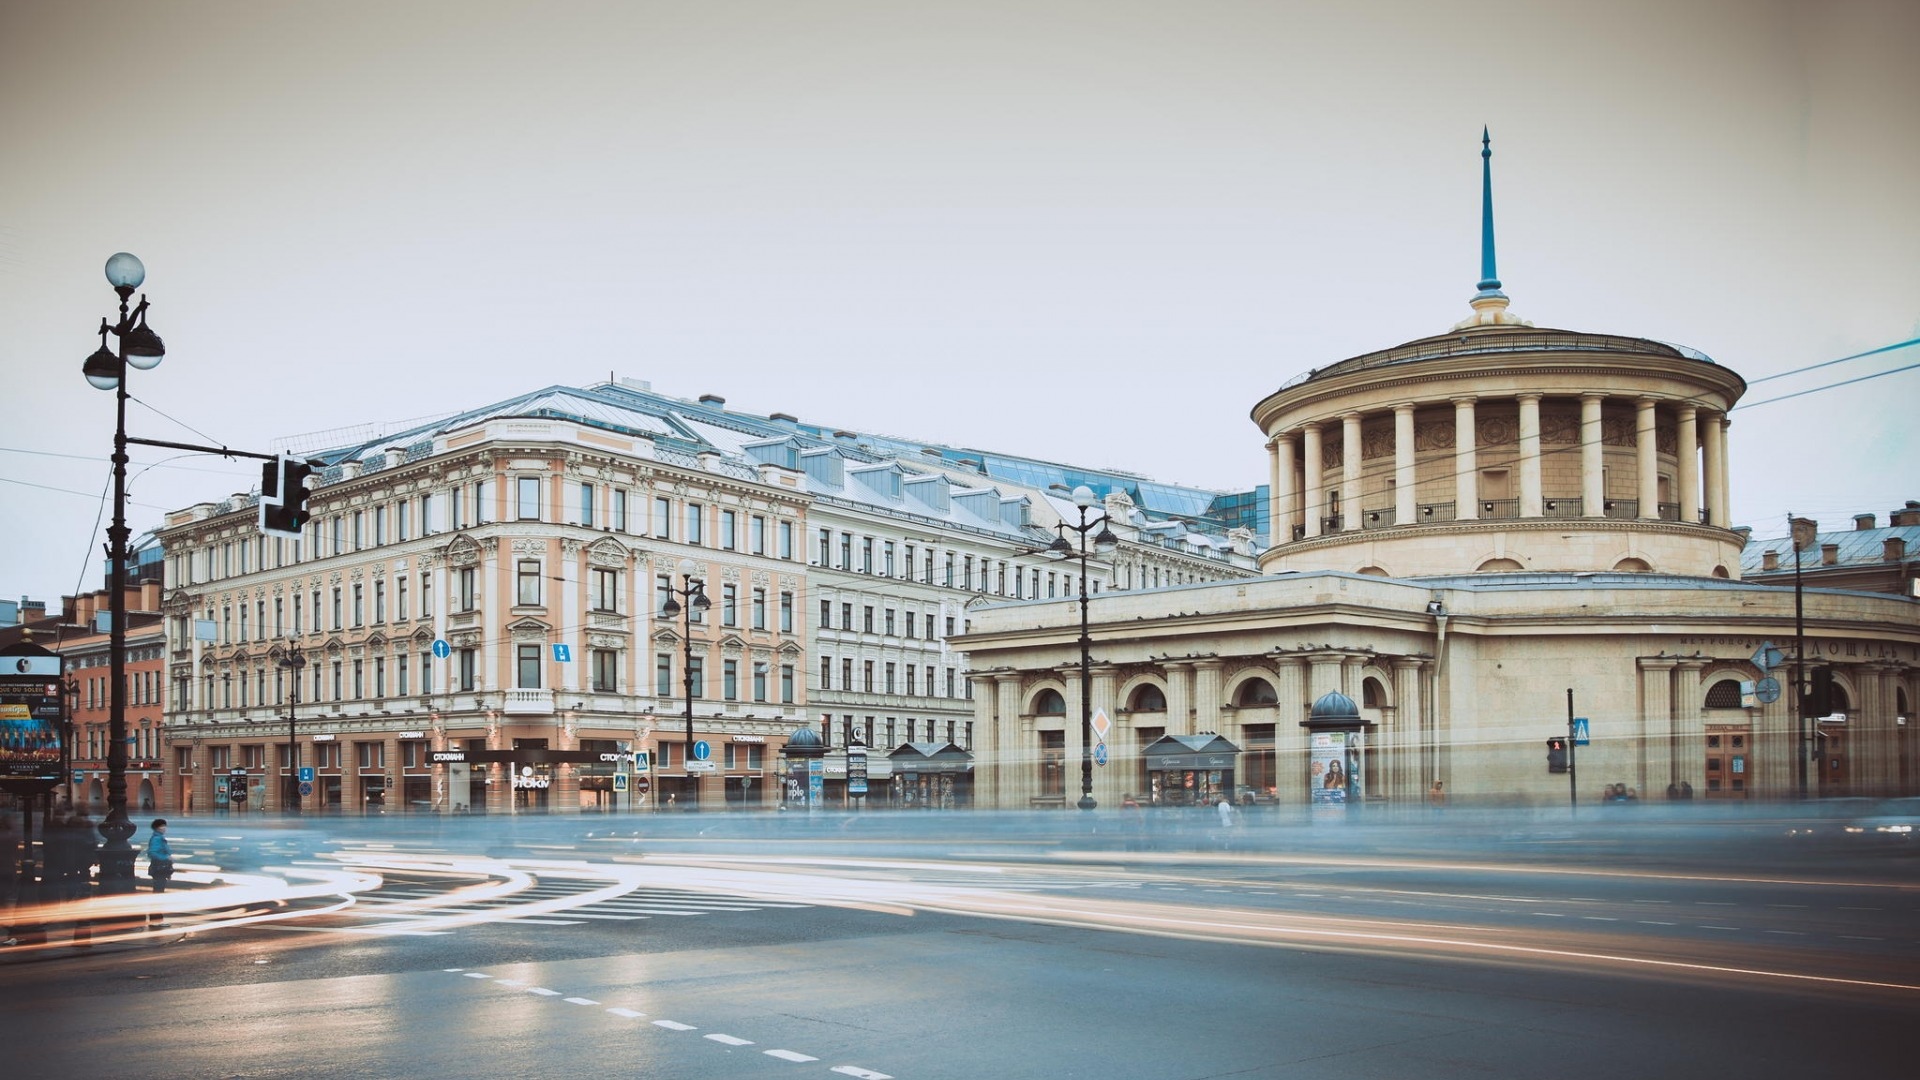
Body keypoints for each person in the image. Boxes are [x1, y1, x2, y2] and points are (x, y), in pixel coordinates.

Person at [146, 819, 175, 929]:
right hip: (159, 870)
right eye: (162, 826)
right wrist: (166, 858)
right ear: (157, 828)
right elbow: (152, 853)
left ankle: (157, 919)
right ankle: (156, 920)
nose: (164, 828)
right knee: (158, 895)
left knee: (158, 894)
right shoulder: (157, 838)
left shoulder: (159, 838)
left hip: (160, 870)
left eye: (164, 826)